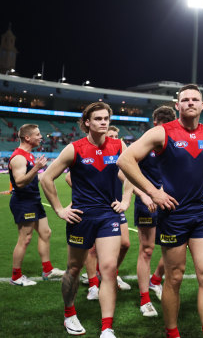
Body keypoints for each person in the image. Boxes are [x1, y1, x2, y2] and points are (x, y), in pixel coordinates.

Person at [117, 84, 203, 338]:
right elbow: (125, 160)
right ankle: (172, 333)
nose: (190, 103)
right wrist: (153, 192)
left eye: (195, 100)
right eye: (185, 99)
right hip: (173, 215)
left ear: (202, 105)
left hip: (202, 215)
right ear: (177, 106)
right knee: (175, 278)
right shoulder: (161, 132)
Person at [41, 102, 134, 338]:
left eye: (106, 118)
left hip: (108, 216)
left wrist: (125, 200)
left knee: (109, 269)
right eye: (98, 118)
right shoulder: (75, 148)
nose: (103, 122)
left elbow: (132, 172)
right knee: (74, 267)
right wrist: (60, 210)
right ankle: (69, 314)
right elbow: (47, 178)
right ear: (87, 123)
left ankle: (107, 328)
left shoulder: (118, 145)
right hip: (81, 217)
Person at [133, 106, 177, 317]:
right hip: (148, 202)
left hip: (173, 201)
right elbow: (127, 170)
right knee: (147, 249)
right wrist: (145, 194)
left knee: (177, 246)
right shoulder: (145, 142)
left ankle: (156, 280)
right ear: (154, 124)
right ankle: (144, 300)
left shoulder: (176, 141)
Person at [9, 124, 65, 286]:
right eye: (38, 134)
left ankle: (47, 270)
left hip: (34, 200)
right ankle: (16, 276)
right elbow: (19, 182)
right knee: (25, 238)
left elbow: (32, 178)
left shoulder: (29, 155)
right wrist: (37, 169)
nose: (41, 137)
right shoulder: (19, 157)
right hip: (23, 202)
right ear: (27, 138)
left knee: (46, 232)